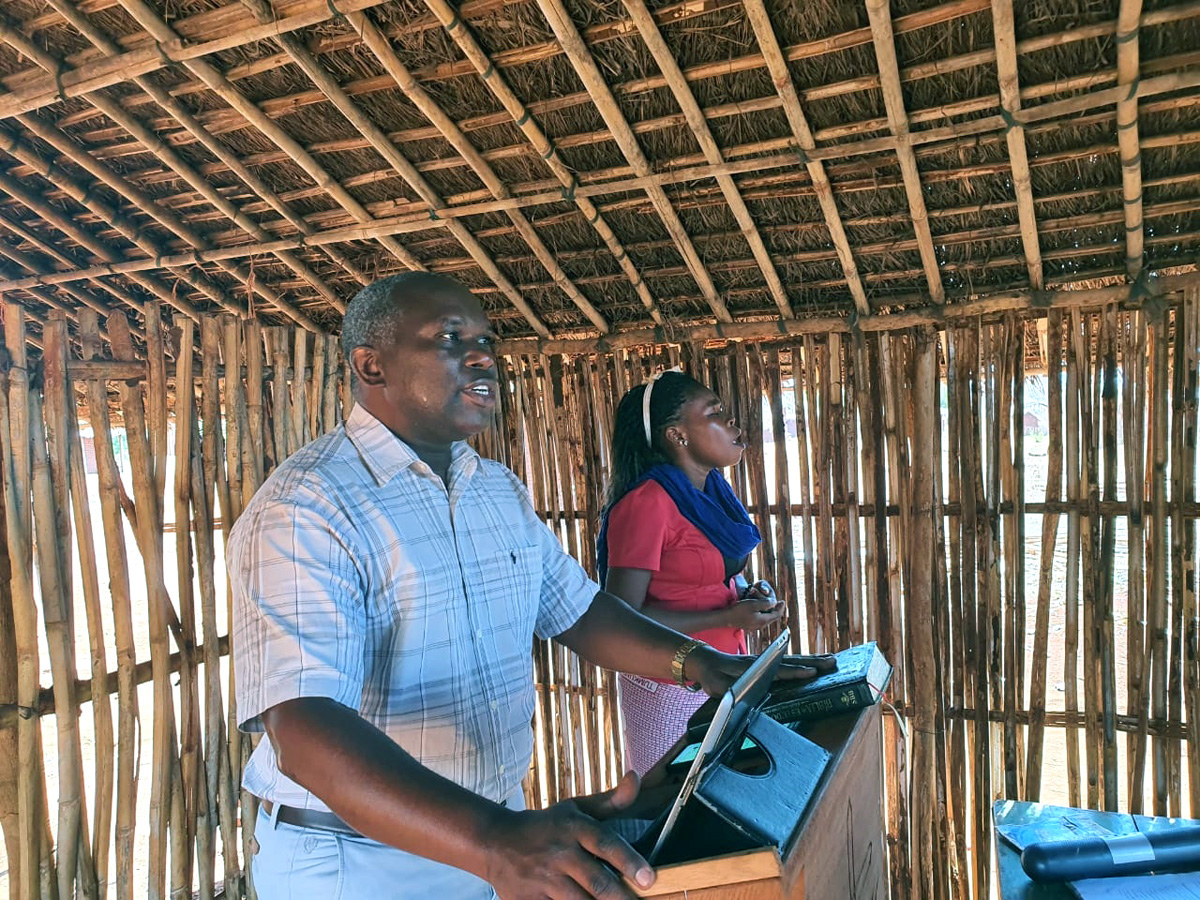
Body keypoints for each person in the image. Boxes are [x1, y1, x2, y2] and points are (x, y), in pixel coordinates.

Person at [229, 272, 824, 900]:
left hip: (491, 833)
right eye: (451, 338)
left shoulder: (495, 490)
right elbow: (303, 729)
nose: (484, 355)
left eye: (486, 339)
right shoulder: (308, 508)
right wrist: (492, 840)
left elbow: (581, 612)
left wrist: (699, 664)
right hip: (360, 860)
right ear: (371, 365)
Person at [598, 369, 835, 774]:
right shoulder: (648, 504)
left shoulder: (711, 494)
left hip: (726, 670)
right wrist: (726, 617)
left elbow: (707, 577)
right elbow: (622, 619)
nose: (732, 422)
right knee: (676, 802)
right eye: (715, 412)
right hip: (669, 686)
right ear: (678, 435)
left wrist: (744, 593)